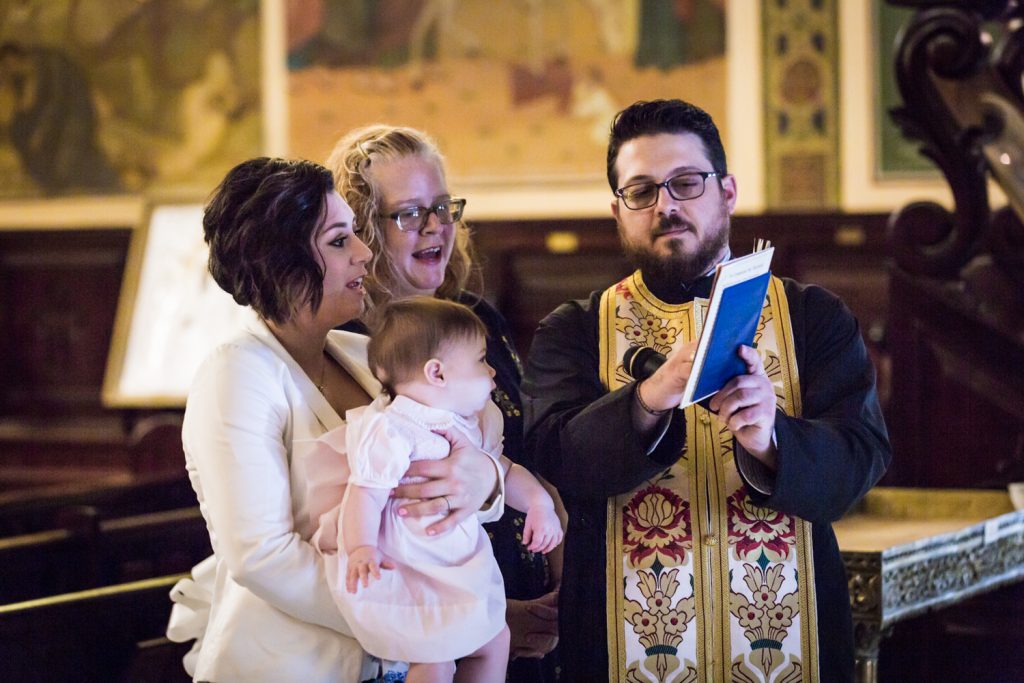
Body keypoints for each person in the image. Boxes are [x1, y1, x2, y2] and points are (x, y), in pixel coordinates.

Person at [521, 99, 891, 683]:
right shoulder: (572, 330)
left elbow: (861, 460)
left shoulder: (813, 316)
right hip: (620, 655)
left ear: (728, 192)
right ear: (618, 212)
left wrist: (773, 443)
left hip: (796, 651)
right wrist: (648, 400)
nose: (665, 205)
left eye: (686, 183)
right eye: (640, 191)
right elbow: (556, 458)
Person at [167, 157, 506, 682]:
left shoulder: (363, 354)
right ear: (281, 263)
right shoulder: (236, 374)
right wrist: (415, 618)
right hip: (296, 667)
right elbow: (262, 555)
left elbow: (439, 475)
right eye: (338, 240)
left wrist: (485, 477)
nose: (364, 252)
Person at [326, 125, 564, 681]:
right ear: (363, 230)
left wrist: (565, 591)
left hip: (519, 616)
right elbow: (388, 505)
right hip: (437, 627)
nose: (435, 225)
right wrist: (482, 617)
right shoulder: (352, 345)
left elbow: (524, 457)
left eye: (441, 207)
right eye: (409, 213)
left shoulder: (476, 319)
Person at [313, 297, 562, 682]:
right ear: (437, 373)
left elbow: (504, 471)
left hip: (456, 566)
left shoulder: (464, 422)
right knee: (434, 661)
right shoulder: (391, 429)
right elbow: (365, 492)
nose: (492, 370)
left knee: (495, 641)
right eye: (480, 360)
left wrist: (538, 503)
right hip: (416, 570)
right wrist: (362, 547)